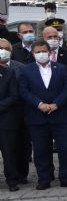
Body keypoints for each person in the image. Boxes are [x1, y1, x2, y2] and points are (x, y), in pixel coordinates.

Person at [19, 39, 67, 189]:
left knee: (65, 148)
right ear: (33, 54)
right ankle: (44, 178)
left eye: (44, 51)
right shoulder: (26, 70)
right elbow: (24, 91)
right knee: (41, 150)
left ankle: (66, 177)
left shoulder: (61, 68)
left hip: (60, 115)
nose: (41, 54)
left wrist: (56, 104)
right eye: (37, 52)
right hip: (37, 116)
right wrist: (40, 104)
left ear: (50, 52)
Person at [0, 40, 26, 191]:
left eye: (5, 49)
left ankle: (12, 181)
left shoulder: (9, 72)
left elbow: (13, 95)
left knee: (9, 152)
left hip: (6, 119)